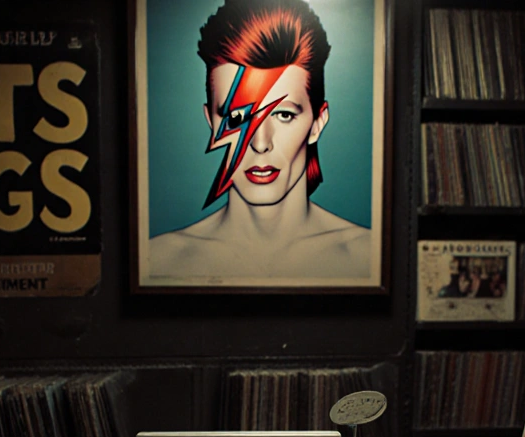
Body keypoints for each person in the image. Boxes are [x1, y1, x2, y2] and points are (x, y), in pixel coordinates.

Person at [148, 0, 370, 279]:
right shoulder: (159, 263)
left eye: (284, 115)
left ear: (317, 123)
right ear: (212, 123)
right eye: (238, 119)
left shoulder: (365, 258)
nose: (261, 143)